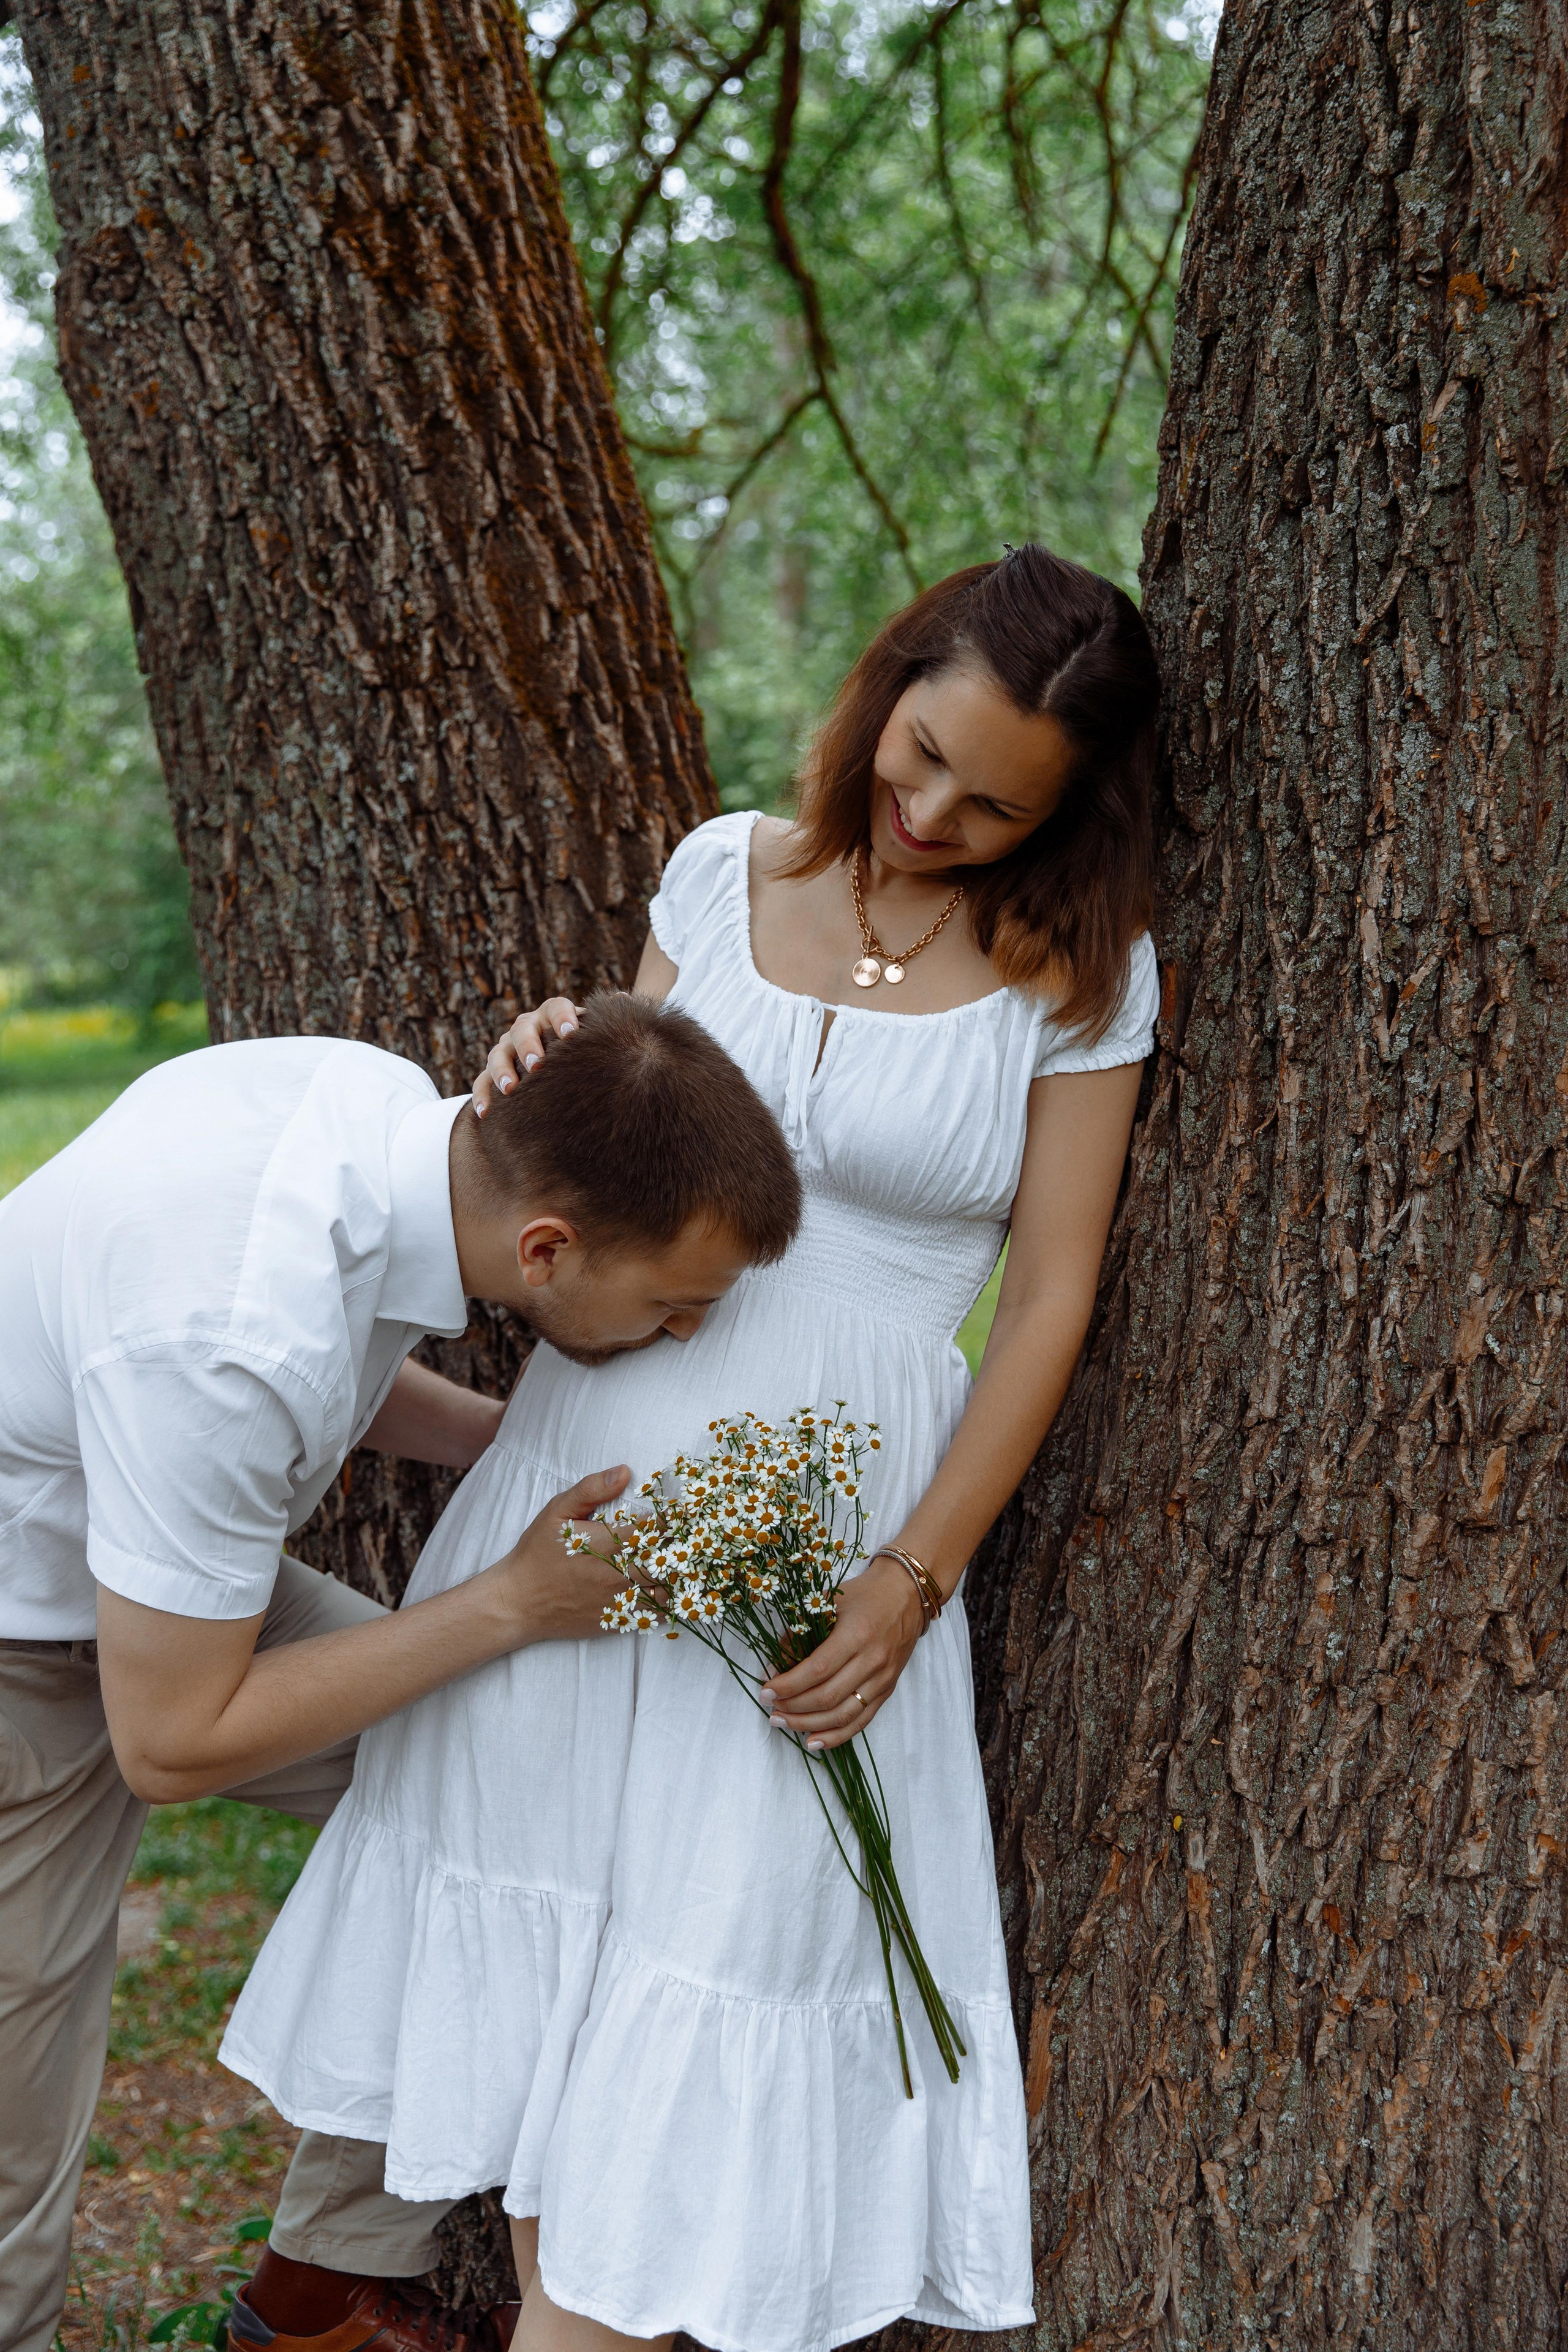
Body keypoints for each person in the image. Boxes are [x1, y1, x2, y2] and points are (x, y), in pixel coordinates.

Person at [222, 541, 1162, 2352]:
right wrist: (544, 1060)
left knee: (710, 1969)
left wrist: (913, 1576)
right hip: (587, 1487)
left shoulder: (1083, 975)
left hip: (826, 1526)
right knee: (555, 1959)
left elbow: (1047, 1298)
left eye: (992, 804)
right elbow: (628, 1119)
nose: (932, 815)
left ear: (1069, 812)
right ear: (885, 689)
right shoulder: (726, 871)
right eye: (920, 757)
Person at [0, 995, 801, 2352]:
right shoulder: (229, 1333)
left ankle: (316, 2298)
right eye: (673, 1305)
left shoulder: (369, 1107)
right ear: (543, 1250)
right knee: (11, 2142)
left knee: (491, 1813)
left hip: (171, 1582)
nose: (680, 1336)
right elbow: (174, 1740)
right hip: (31, 1640)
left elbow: (331, 1367)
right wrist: (511, 1603)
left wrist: (510, 1451)